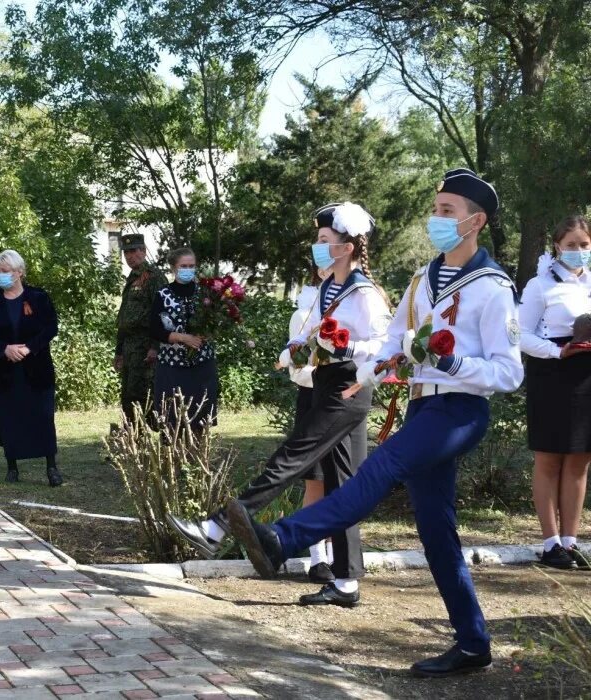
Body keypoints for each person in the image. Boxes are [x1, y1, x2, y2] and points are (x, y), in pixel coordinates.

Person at [226, 169, 523, 677]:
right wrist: (374, 368)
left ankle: (284, 539)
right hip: (424, 406)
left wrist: (452, 364)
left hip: (460, 410)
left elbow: (510, 372)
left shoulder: (492, 287)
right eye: (436, 209)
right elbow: (394, 341)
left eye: (447, 212)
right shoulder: (423, 278)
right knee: (436, 532)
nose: (436, 219)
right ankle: (473, 643)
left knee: (381, 465)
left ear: (475, 222)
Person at [168, 202, 390, 607]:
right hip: (325, 383)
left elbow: (382, 348)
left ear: (349, 247)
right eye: (318, 241)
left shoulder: (365, 293)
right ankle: (345, 582)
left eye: (325, 241)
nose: (318, 248)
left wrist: (346, 344)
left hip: (348, 390)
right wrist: (299, 348)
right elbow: (314, 334)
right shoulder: (329, 288)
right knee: (344, 489)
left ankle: (216, 527)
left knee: (291, 457)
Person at [288, 267, 369, 585]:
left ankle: (343, 559)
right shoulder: (306, 309)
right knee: (317, 482)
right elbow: (297, 369)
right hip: (316, 400)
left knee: (347, 482)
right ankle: (318, 558)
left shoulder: (362, 301)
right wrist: (324, 376)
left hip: (350, 399)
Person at [518, 215, 591, 570]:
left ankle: (570, 541)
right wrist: (556, 351)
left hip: (587, 376)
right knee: (549, 458)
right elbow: (522, 335)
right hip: (552, 371)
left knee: (580, 459)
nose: (578, 252)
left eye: (584, 245)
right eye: (571, 245)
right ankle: (550, 543)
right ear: (557, 247)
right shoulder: (540, 285)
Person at [0, 250, 63, 487]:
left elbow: (50, 327)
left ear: (20, 272)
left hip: (36, 368)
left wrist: (29, 348)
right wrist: (4, 349)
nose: (1, 275)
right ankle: (12, 467)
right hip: (4, 370)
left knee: (43, 417)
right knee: (9, 417)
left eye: (6, 271)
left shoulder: (38, 297)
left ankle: (51, 468)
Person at [148, 248, 219, 429]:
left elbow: (217, 322)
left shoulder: (205, 293)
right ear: (173, 268)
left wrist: (210, 331)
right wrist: (182, 338)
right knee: (172, 419)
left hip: (202, 366)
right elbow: (154, 329)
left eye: (192, 266)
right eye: (183, 266)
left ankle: (198, 455)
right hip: (172, 368)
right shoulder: (162, 294)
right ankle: (173, 456)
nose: (188, 269)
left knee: (200, 418)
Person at [114, 233, 168, 424]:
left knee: (146, 397)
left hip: (145, 347)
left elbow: (162, 313)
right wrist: (119, 351)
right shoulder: (132, 278)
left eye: (133, 251)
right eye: (126, 252)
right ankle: (133, 443)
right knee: (129, 396)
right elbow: (124, 318)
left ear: (143, 251)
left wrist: (155, 346)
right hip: (130, 346)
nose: (129, 256)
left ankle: (165, 438)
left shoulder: (154, 277)